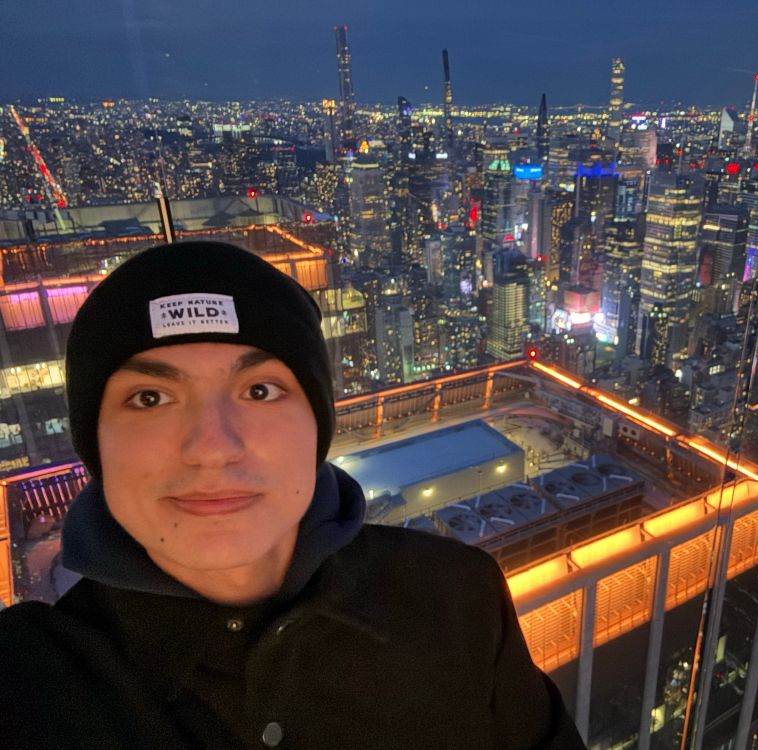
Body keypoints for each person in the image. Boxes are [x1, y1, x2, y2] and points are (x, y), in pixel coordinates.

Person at [0, 241, 584, 749]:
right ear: (95, 443)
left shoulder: (460, 601)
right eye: (150, 398)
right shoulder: (26, 686)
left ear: (319, 427)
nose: (212, 447)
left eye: (259, 390)